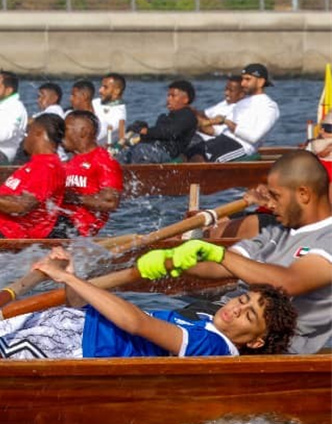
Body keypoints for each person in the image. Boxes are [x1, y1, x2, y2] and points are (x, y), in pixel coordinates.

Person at [137, 150, 331, 355]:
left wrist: (218, 253)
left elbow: (289, 283)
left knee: (135, 328)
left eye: (276, 196)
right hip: (217, 317)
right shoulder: (278, 232)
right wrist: (176, 261)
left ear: (303, 194)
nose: (270, 204)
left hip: (265, 346)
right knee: (129, 327)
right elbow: (223, 267)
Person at [0, 247, 297, 360]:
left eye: (248, 315)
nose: (237, 308)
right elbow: (92, 310)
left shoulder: (214, 346)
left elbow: (137, 323)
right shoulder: (203, 323)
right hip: (72, 325)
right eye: (242, 299)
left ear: (255, 340)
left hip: (78, 347)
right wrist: (72, 274)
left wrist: (68, 279)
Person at [186, 63, 280, 163]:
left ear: (260, 82)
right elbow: (221, 130)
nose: (243, 83)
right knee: (191, 151)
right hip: (223, 139)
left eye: (248, 79)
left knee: (206, 157)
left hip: (242, 146)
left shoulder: (269, 106)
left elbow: (254, 137)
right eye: (243, 79)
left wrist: (227, 122)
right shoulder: (242, 102)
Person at [55, 110, 122, 237]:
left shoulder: (104, 160)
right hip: (60, 222)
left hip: (77, 229)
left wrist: (75, 198)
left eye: (65, 129)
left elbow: (110, 202)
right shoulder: (68, 162)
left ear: (83, 132)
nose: (61, 134)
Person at [119, 80, 198, 164]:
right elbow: (157, 134)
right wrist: (140, 131)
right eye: (168, 95)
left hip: (167, 154)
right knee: (122, 154)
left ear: (185, 99)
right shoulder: (164, 117)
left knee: (140, 151)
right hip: (152, 150)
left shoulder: (188, 116)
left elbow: (170, 132)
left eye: (173, 96)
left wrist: (145, 130)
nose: (168, 99)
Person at [185, 76, 246, 158]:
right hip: (197, 138)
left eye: (230, 91)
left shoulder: (238, 110)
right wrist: (187, 109)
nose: (226, 93)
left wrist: (192, 119)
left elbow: (212, 131)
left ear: (241, 94)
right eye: (226, 89)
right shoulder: (225, 103)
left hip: (210, 144)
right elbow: (203, 114)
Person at [92, 73, 127, 145]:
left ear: (117, 91)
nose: (100, 90)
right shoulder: (96, 102)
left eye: (105, 87)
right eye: (101, 86)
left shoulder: (119, 114)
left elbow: (101, 134)